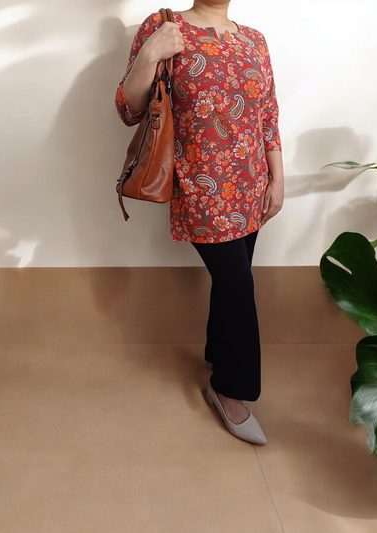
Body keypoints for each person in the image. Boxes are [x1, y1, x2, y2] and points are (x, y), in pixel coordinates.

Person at [115, 1, 284, 444]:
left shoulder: (254, 41)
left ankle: (216, 355)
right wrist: (151, 53)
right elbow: (129, 109)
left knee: (232, 281)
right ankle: (229, 389)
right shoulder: (164, 26)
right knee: (238, 284)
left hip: (250, 185)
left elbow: (267, 114)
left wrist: (277, 178)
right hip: (200, 186)